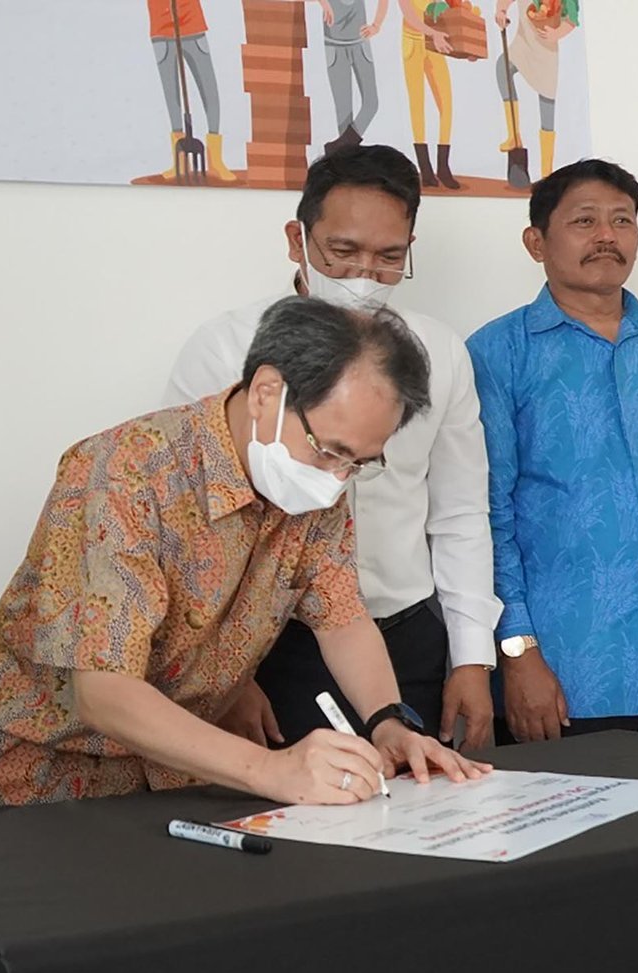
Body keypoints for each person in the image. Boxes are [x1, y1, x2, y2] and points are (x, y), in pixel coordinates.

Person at [0, 297, 489, 812]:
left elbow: (342, 617)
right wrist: (272, 769)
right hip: (53, 778)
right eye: (331, 451)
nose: (336, 479)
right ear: (266, 393)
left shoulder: (314, 486)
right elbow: (103, 691)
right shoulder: (124, 473)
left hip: (183, 767)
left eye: (359, 464)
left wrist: (388, 722)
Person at [167, 146, 500, 751]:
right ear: (297, 239)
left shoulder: (440, 352)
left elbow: (459, 513)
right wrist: (225, 674)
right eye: (342, 251)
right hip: (269, 646)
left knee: (418, 789)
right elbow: (188, 523)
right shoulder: (225, 349)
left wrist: (472, 656)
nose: (363, 275)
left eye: (388, 257)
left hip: (404, 635)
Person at [468, 159, 638, 744]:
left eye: (622, 221)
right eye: (584, 221)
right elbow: (486, 516)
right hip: (569, 675)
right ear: (535, 242)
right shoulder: (498, 352)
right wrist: (517, 650)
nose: (606, 236)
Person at [148, 0, 237, 183]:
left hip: (192, 26)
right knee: (172, 96)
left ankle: (215, 160)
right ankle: (180, 161)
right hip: (161, 30)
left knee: (209, 90)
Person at [495, 0, 578, 180]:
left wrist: (557, 33)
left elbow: (572, 18)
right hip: (523, 44)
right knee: (503, 67)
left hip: (546, 51)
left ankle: (546, 173)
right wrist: (501, 11)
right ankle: (514, 136)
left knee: (546, 104)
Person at [398, 0, 460, 188]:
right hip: (413, 42)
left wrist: (464, 48)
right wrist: (433, 33)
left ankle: (443, 167)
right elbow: (409, 15)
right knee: (417, 104)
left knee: (446, 104)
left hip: (434, 44)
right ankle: (425, 169)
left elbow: (447, 13)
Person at [317, 0, 390, 156]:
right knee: (343, 111)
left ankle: (340, 147)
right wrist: (324, 3)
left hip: (360, 44)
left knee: (371, 103)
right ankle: (345, 155)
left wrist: (376, 25)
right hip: (334, 46)